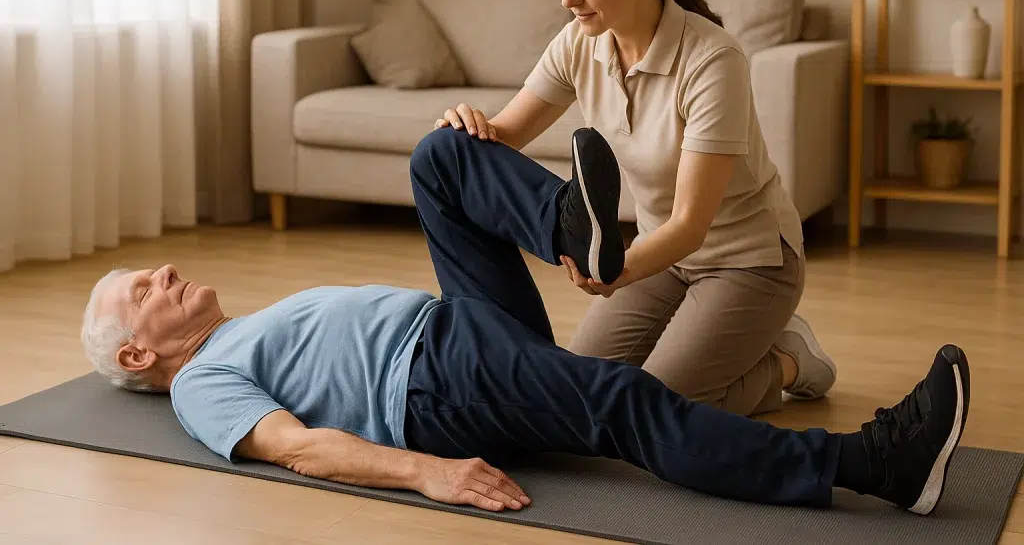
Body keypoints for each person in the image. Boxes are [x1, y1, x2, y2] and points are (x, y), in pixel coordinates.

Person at [80, 126, 971, 517]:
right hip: (435, 386)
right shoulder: (200, 383)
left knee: (439, 158)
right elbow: (297, 447)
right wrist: (426, 473)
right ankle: (873, 464)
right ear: (137, 352)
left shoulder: (231, 336)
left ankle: (570, 230)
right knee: (623, 400)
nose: (165, 272)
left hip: (455, 332)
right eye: (144, 289)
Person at [430, 0, 832, 417]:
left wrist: (612, 272)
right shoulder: (578, 43)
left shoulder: (713, 61)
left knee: (652, 409)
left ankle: (789, 360)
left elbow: (690, 224)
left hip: (748, 261)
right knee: (581, 394)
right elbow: (506, 135)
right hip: (660, 255)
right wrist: (467, 128)